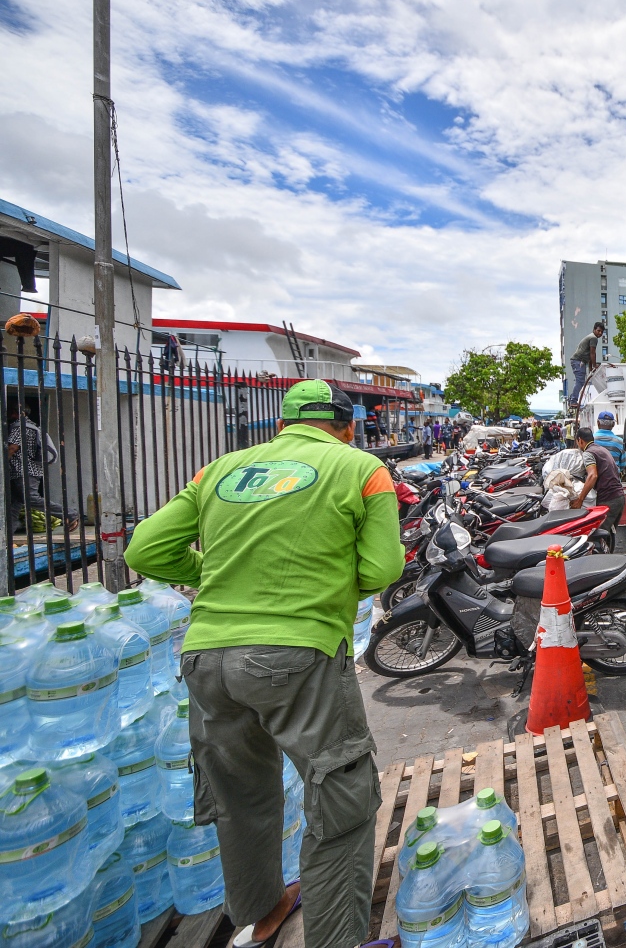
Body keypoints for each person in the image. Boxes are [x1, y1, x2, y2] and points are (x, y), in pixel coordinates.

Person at [123, 380, 405, 948]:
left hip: (206, 658)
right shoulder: (362, 468)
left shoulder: (221, 469)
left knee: (241, 794)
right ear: (348, 427)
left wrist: (219, 575)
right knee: (340, 798)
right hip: (297, 656)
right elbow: (380, 570)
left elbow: (144, 551)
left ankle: (262, 908)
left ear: (282, 423)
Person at [6, 403, 77, 532]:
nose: (9, 415)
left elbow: (12, 448)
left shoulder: (20, 427)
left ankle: (69, 514)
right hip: (28, 471)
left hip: (24, 471)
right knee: (14, 503)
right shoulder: (32, 426)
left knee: (30, 498)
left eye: (11, 412)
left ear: (19, 413)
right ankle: (9, 532)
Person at [571, 427, 626, 543]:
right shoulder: (601, 449)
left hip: (609, 499)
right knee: (607, 535)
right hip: (619, 497)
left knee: (596, 537)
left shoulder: (588, 453)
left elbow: (593, 475)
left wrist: (580, 499)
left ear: (580, 440)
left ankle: (602, 560)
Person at [570, 322, 605, 406]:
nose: (600, 333)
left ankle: (572, 399)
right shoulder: (594, 338)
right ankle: (573, 401)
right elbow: (592, 353)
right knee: (580, 381)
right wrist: (594, 366)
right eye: (598, 331)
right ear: (594, 330)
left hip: (579, 361)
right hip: (578, 361)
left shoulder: (591, 337)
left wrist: (591, 369)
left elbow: (589, 355)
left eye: (601, 332)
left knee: (580, 381)